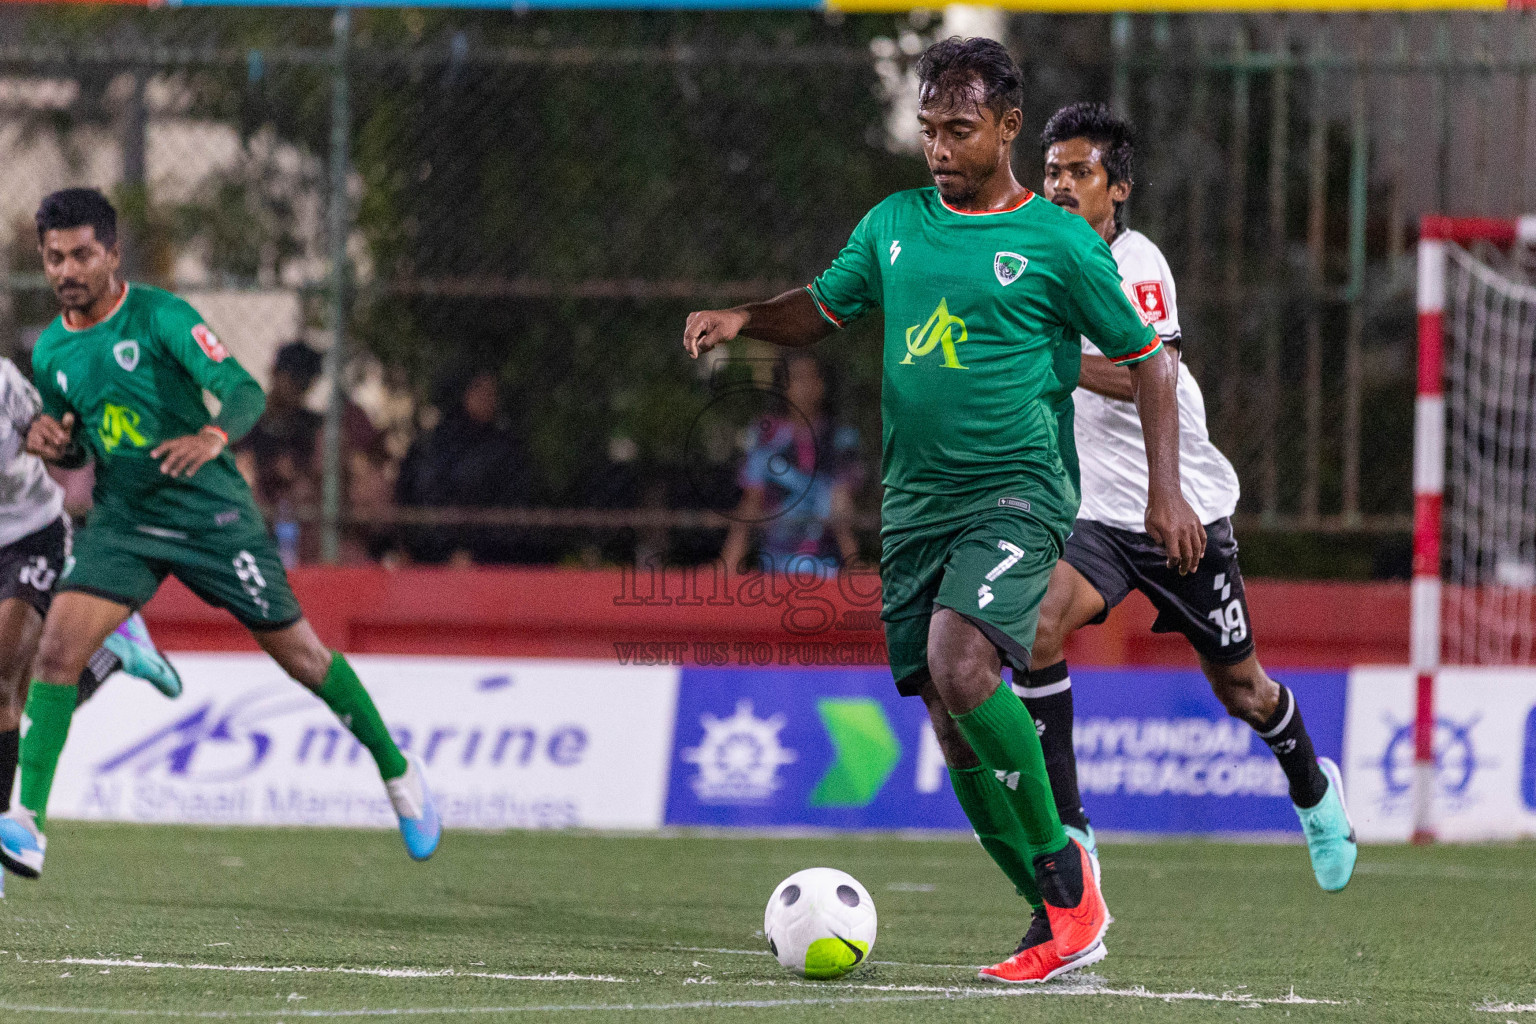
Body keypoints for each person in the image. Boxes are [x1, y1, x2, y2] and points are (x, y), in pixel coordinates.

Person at [683, 39, 1205, 984]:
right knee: (950, 719)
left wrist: (1166, 490)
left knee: (960, 660)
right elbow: (821, 306)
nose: (938, 147)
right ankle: (1051, 911)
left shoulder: (1058, 241)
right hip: (915, 508)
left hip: (1018, 494)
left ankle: (1070, 885)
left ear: (1008, 127)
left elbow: (1152, 362)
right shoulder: (894, 224)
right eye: (928, 128)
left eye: (958, 130)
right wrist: (744, 319)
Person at [0, 188, 440, 883]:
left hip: (209, 517)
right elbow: (78, 445)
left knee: (301, 657)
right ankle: (27, 823)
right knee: (55, 653)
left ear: (113, 254)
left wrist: (212, 435)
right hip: (122, 522)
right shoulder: (52, 348)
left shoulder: (161, 316)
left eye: (82, 254)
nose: (67, 270)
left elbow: (242, 390)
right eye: (54, 258)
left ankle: (396, 767)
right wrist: (57, 444)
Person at [1025, 102, 1357, 893]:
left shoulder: (1136, 263)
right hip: (1095, 515)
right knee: (1036, 625)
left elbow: (1155, 371)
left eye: (1081, 172)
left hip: (1180, 510)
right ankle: (1072, 833)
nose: (1062, 186)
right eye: (1052, 172)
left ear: (1120, 188)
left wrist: (1058, 365)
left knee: (1241, 688)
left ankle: (1312, 788)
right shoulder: (1032, 256)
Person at [0, 355, 184, 898]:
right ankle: (108, 653)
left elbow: (60, 434)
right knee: (23, 693)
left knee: (3, 688)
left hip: (29, 536)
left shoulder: (4, 384)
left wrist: (49, 436)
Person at [719, 352, 862, 579]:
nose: (806, 387)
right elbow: (751, 502)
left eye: (812, 378)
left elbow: (842, 506)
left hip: (828, 566)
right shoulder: (765, 435)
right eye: (797, 379)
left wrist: (855, 570)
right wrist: (727, 566)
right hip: (774, 565)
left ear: (822, 384)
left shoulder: (841, 437)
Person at [394, 368, 530, 564]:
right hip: (425, 556)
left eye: (492, 393)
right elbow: (408, 495)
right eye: (479, 389)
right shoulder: (429, 444)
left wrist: (474, 553)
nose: (487, 398)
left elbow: (509, 510)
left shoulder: (504, 449)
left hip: (483, 561)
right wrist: (408, 547)